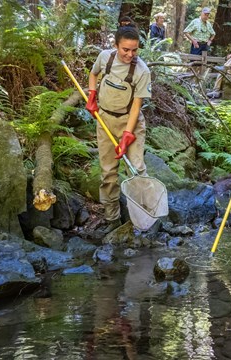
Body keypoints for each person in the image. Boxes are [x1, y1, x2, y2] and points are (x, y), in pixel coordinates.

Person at [86, 17, 152, 234]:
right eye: (125, 49)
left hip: (130, 123)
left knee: (136, 169)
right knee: (108, 171)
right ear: (115, 45)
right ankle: (112, 218)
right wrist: (92, 95)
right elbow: (93, 74)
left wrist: (126, 136)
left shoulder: (142, 71)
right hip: (105, 120)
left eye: (134, 50)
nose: (130, 54)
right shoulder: (106, 58)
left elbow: (136, 107)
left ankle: (142, 218)